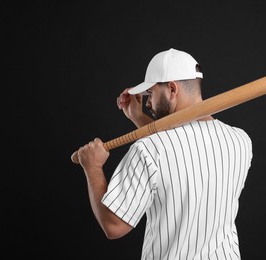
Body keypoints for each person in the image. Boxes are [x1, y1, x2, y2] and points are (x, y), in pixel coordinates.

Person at [76, 48, 253, 259]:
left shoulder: (148, 149)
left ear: (171, 89)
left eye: (151, 93)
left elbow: (114, 226)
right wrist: (138, 117)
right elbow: (181, 147)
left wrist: (93, 167)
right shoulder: (240, 140)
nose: (148, 102)